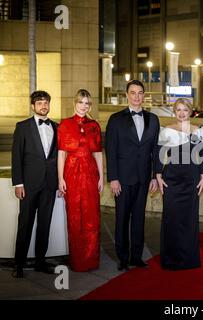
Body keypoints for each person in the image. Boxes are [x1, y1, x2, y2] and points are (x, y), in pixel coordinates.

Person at [105, 79, 159, 271]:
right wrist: (113, 178)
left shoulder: (153, 119)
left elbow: (156, 150)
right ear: (127, 95)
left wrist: (155, 176)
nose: (137, 96)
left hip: (144, 178)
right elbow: (110, 151)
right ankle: (123, 257)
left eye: (140, 93)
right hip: (122, 178)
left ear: (144, 95)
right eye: (133, 92)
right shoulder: (115, 119)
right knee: (121, 219)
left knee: (139, 218)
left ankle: (136, 256)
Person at [155, 98, 203, 270]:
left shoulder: (198, 131)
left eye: (185, 110)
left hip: (191, 181)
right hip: (171, 180)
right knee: (171, 219)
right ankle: (171, 259)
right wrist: (158, 175)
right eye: (178, 110)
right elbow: (157, 155)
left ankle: (189, 260)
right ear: (174, 111)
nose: (182, 113)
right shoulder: (166, 131)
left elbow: (200, 157)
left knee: (189, 220)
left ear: (190, 111)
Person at [11, 90, 58, 278]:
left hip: (49, 184)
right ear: (33, 106)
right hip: (29, 185)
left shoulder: (57, 126)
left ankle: (40, 262)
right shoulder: (22, 127)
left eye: (46, 102)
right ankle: (19, 265)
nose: (43, 105)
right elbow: (17, 157)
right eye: (39, 103)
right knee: (25, 224)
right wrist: (18, 184)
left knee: (44, 225)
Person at [57, 89, 103, 272]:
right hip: (71, 172)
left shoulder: (94, 126)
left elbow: (99, 154)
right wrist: (60, 178)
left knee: (92, 216)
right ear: (74, 103)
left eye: (87, 103)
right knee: (75, 217)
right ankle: (77, 260)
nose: (84, 106)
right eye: (81, 102)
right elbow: (61, 154)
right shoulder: (65, 124)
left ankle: (91, 259)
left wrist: (102, 177)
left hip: (90, 172)